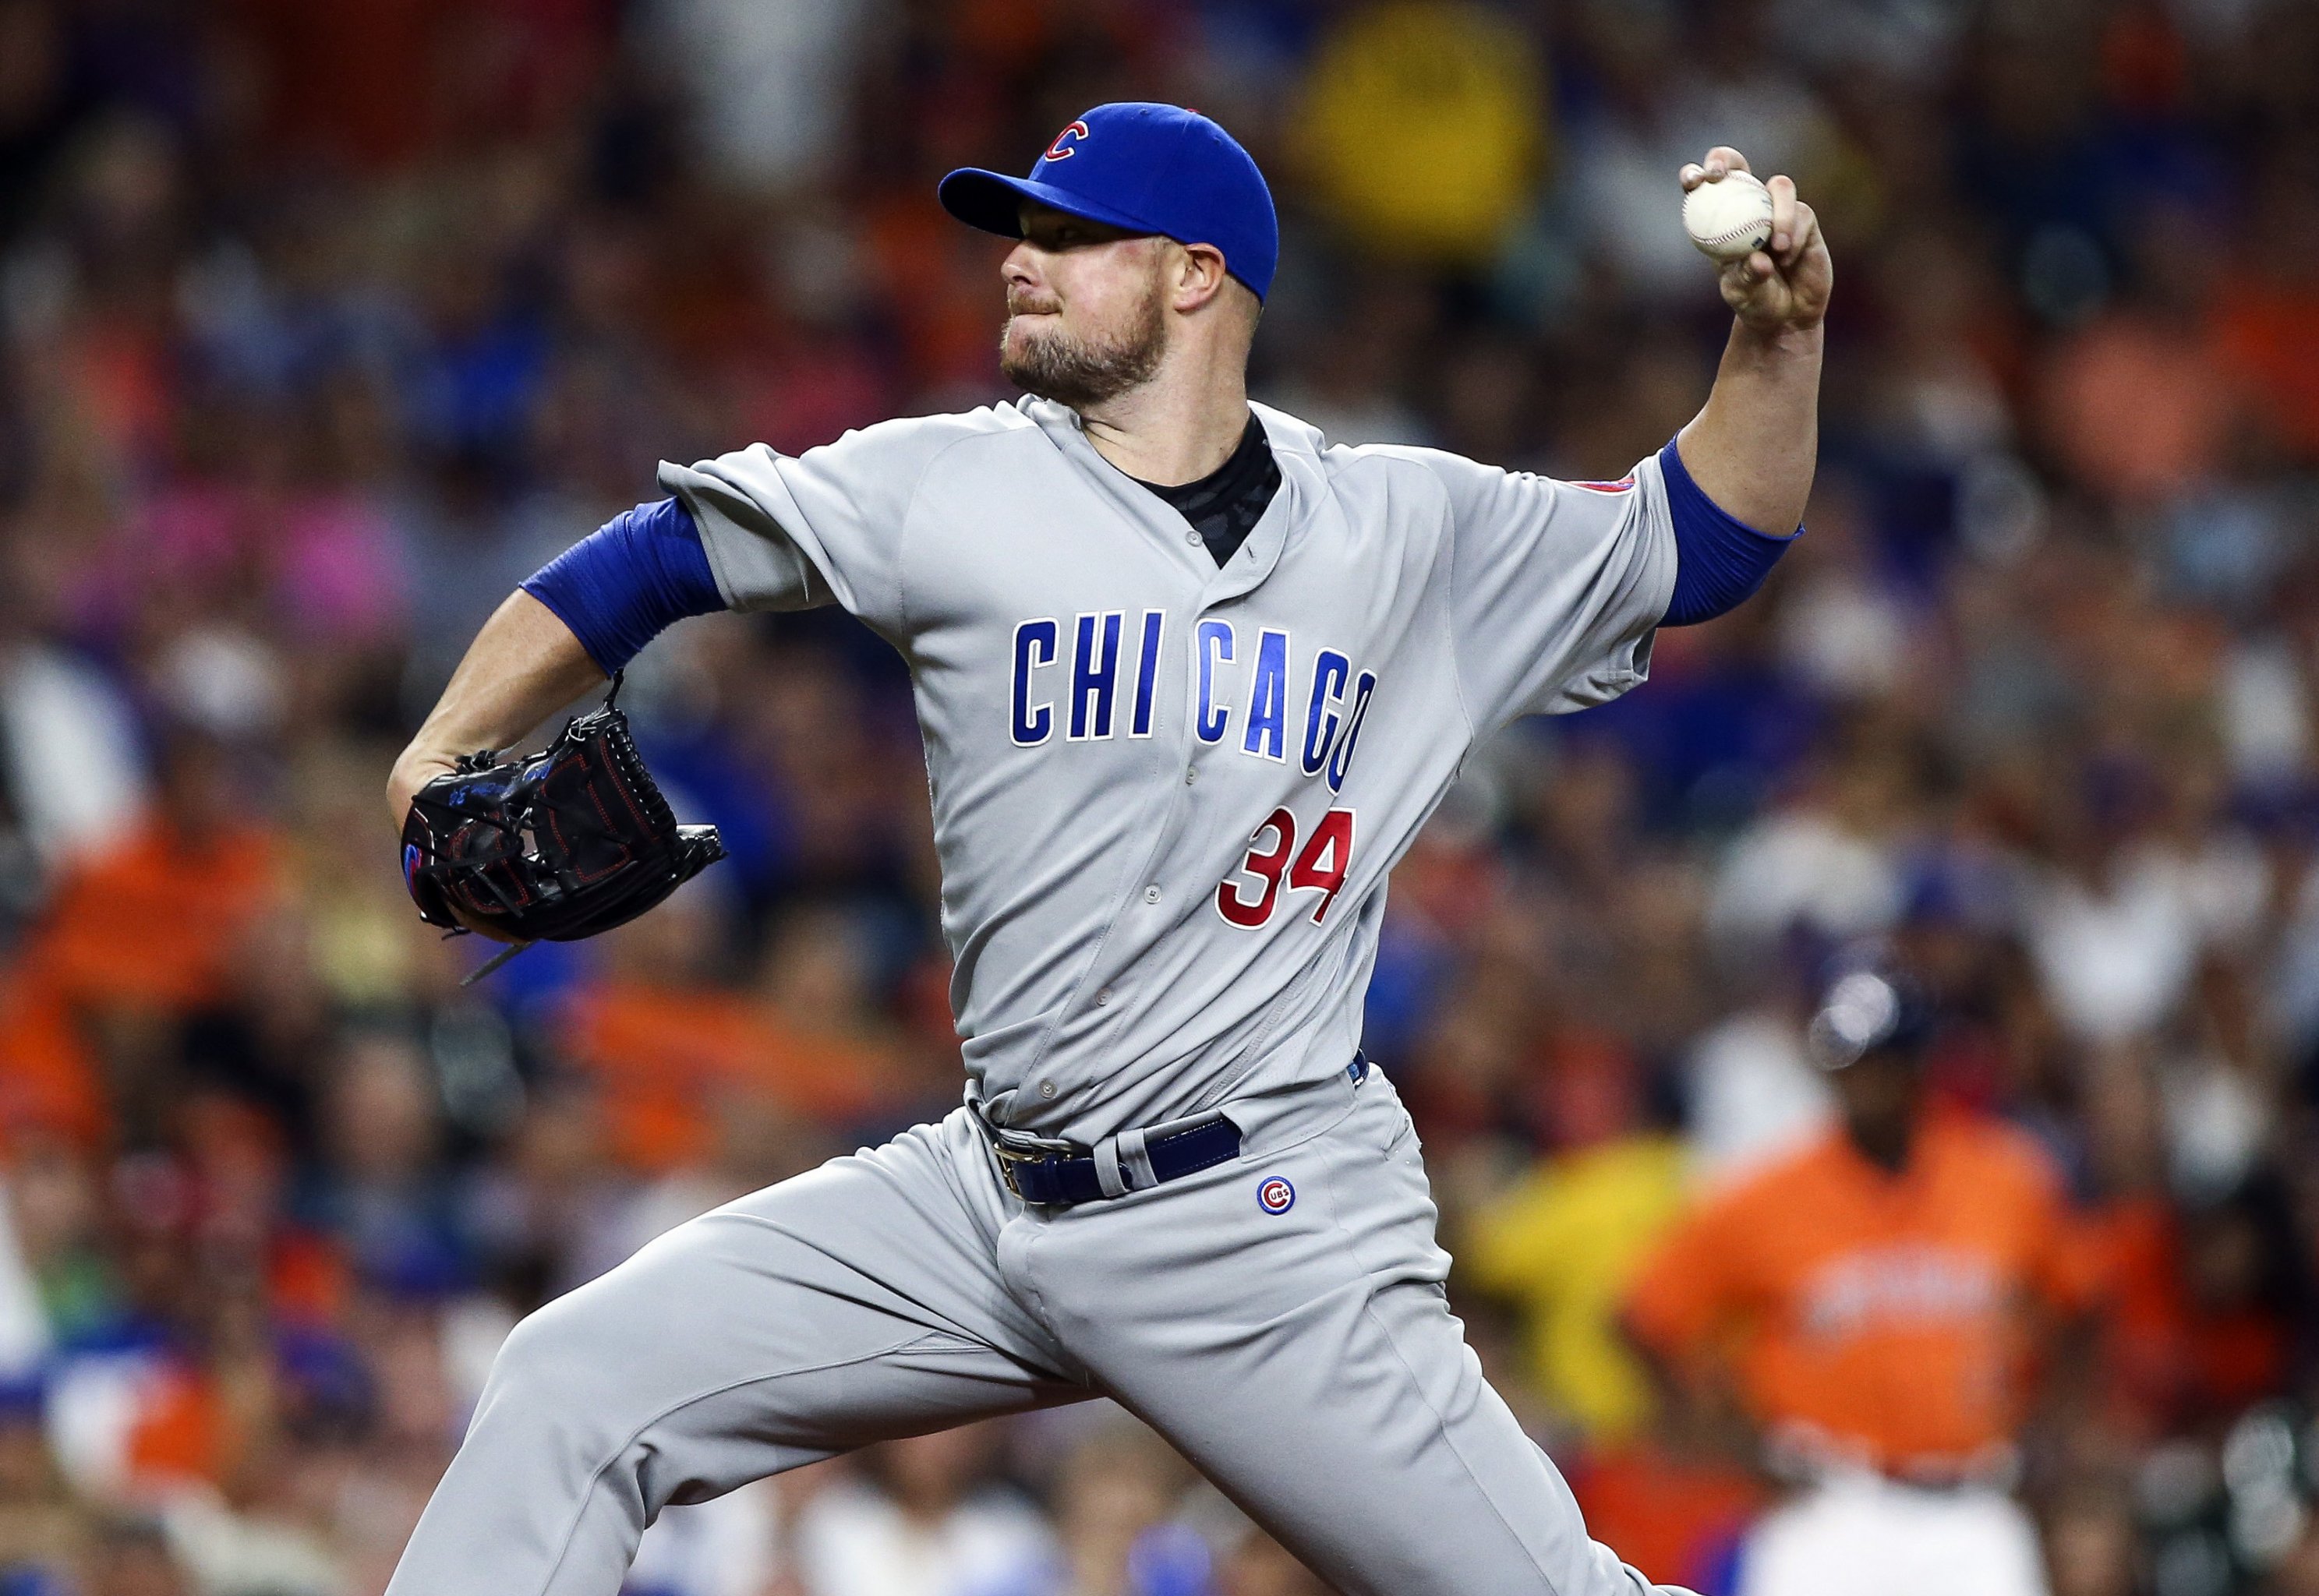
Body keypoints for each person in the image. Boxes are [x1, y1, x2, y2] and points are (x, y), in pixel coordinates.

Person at [380, 101, 1829, 1596]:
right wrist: (439, 752)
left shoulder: (1409, 531)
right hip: (984, 1197)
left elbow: (1707, 535)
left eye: (1073, 237)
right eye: (1022, 230)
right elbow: (649, 559)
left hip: (1257, 1225)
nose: (1024, 261)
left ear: (1196, 276)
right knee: (572, 1384)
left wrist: (1777, 344)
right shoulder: (947, 481)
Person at [1624, 959, 2092, 1596]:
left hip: (1974, 1504)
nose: (1860, 1084)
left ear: (1918, 1067)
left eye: (1878, 1063)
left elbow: (2080, 1301)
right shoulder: (1770, 1195)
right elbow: (1642, 1320)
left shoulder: (2002, 1177)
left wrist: (2053, 1429)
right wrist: (1733, 1445)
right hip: (1830, 1506)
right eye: (1846, 1065)